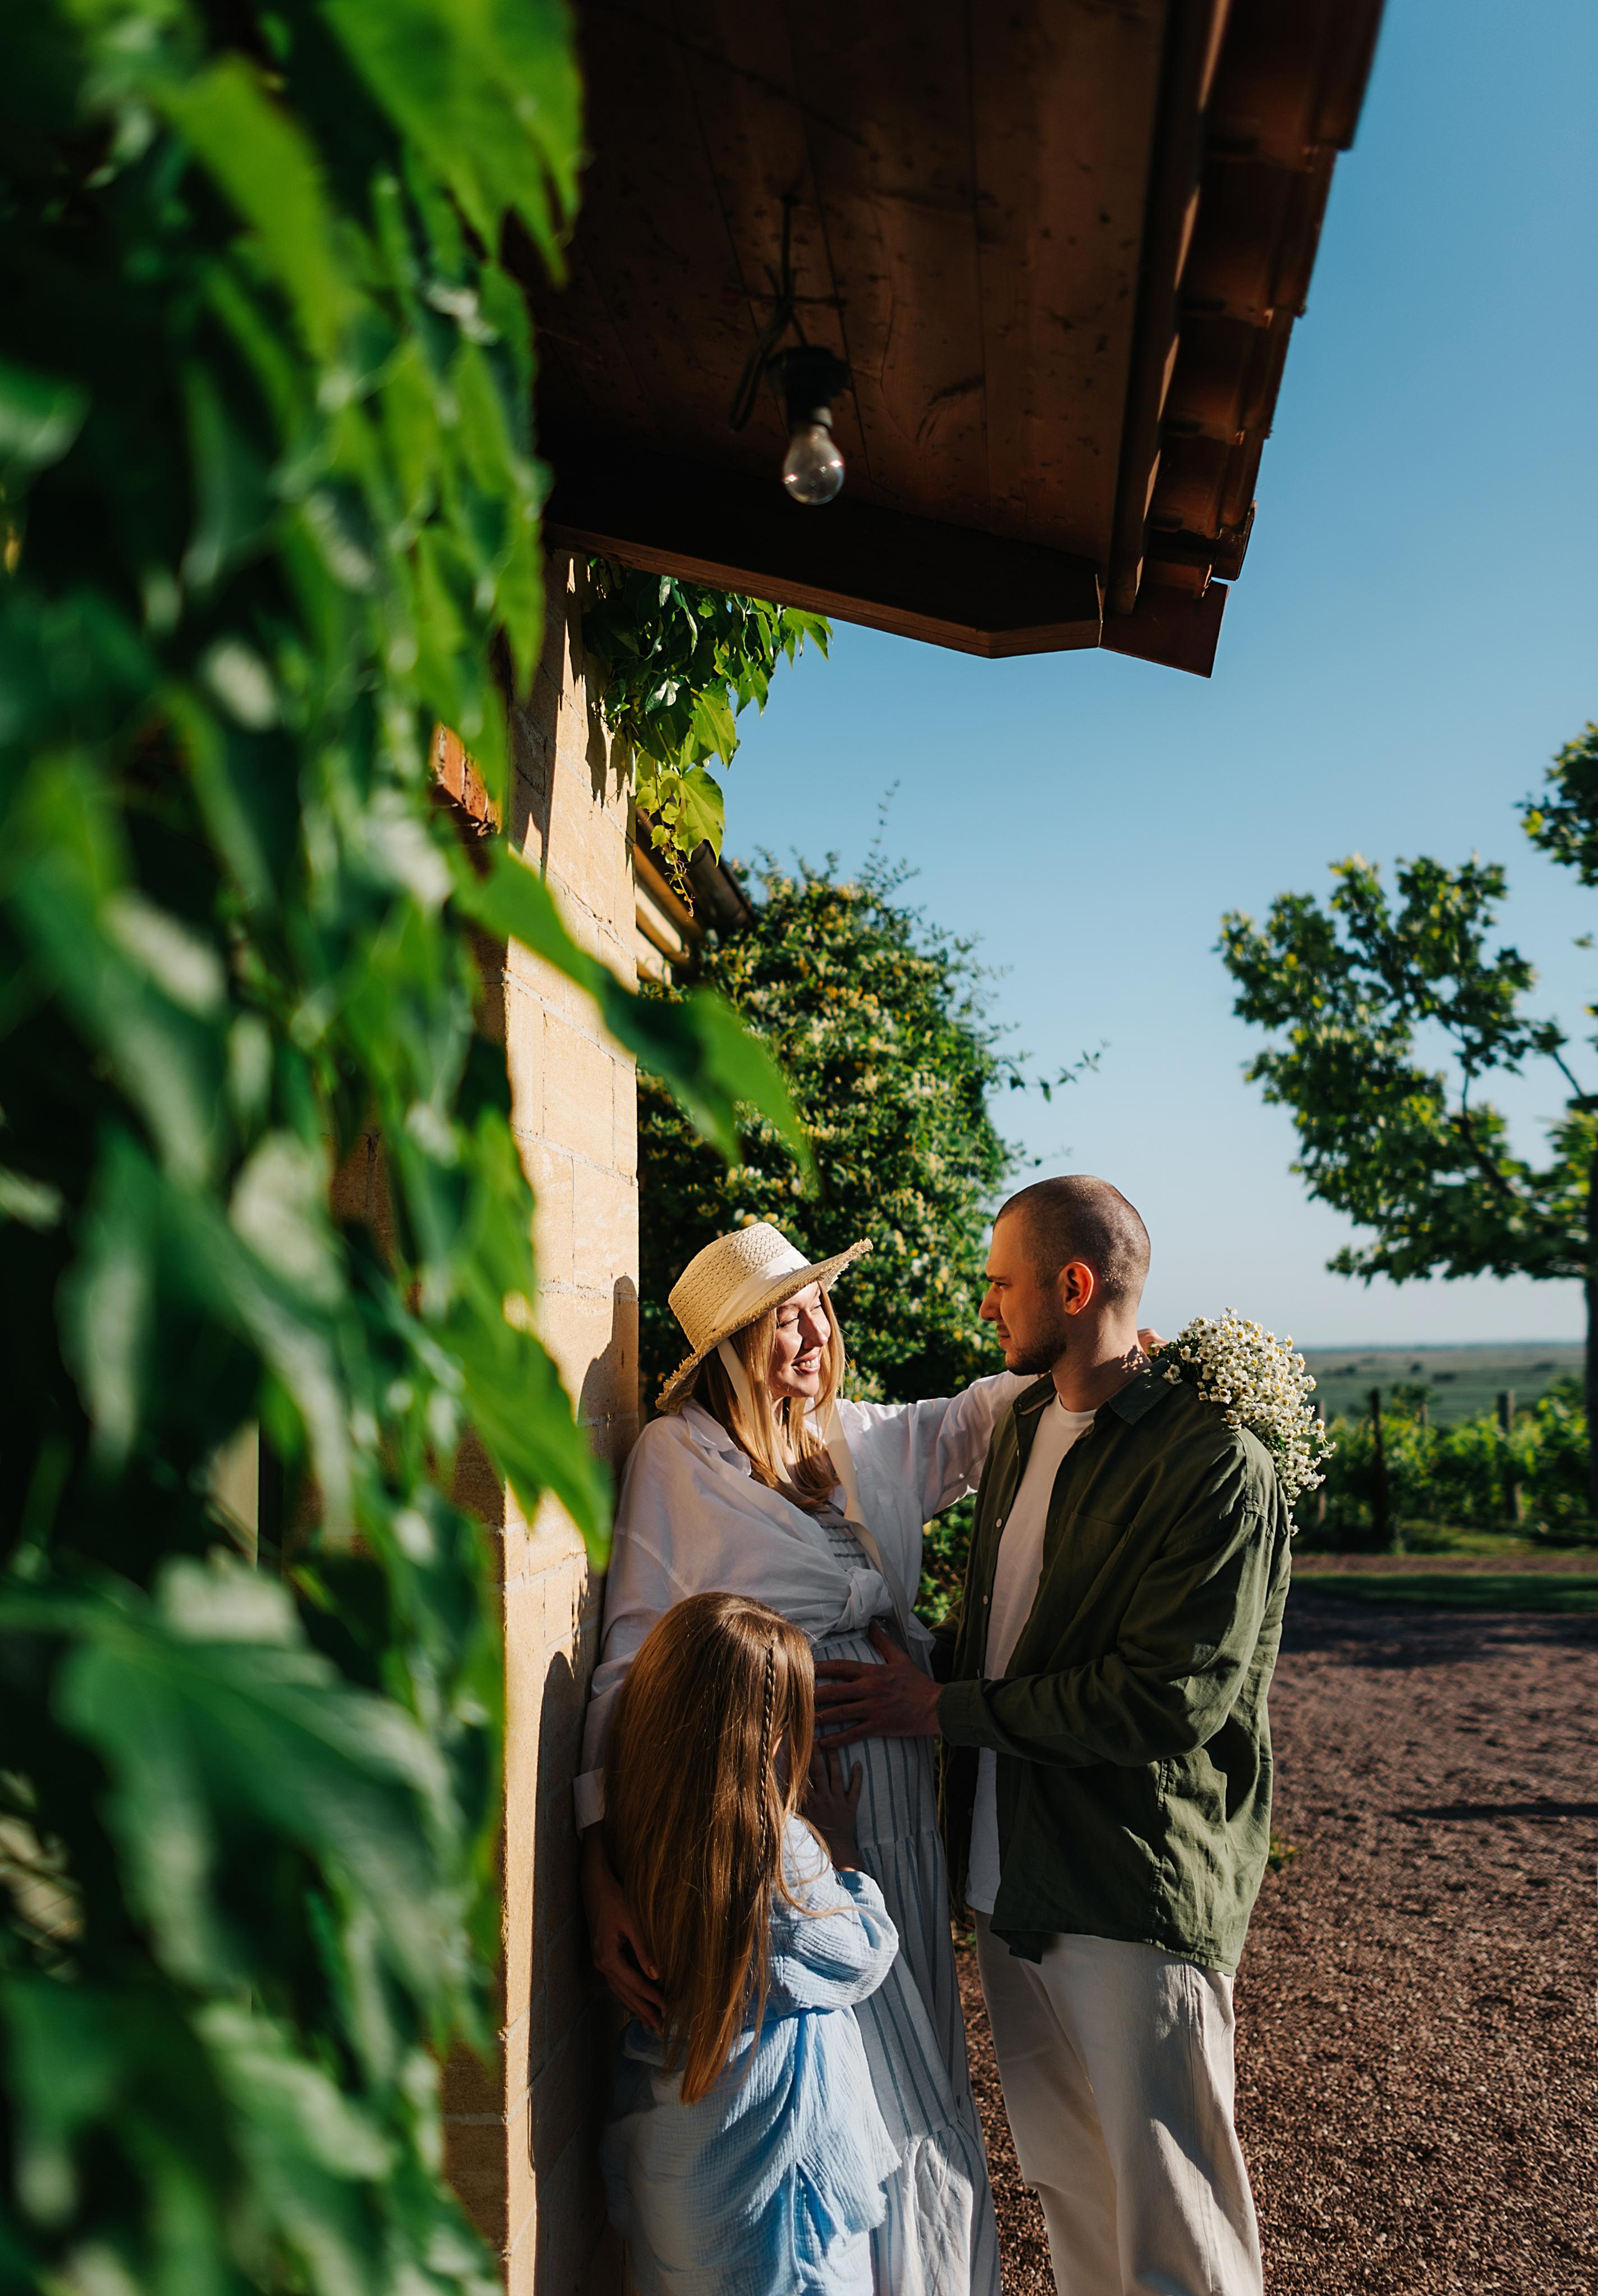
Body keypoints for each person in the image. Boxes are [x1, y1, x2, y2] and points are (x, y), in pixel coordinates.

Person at [814, 1175, 1292, 2296]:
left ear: (1074, 1286)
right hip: (1010, 1879)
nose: (986, 1305)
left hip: (1128, 1883)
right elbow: (1012, 1627)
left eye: (1001, 1283)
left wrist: (937, 1707)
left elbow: (1165, 1699)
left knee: (1174, 2216)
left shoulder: (1218, 1462)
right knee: (1073, 2190)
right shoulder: (1024, 1423)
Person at [579, 1218, 1029, 2296]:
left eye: (819, 1306)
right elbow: (626, 1664)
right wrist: (599, 1863)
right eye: (784, 1318)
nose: (814, 1332)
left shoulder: (858, 1440)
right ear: (733, 1348)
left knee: (915, 2048)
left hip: (889, 1792)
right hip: (776, 1811)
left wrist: (1132, 1351)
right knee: (835, 2052)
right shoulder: (679, 1457)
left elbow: (980, 1416)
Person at [600, 1593, 901, 2296]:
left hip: (685, 2169)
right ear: (767, 1735)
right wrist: (846, 1854)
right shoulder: (777, 1854)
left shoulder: (637, 1832)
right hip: (773, 2198)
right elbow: (865, 1954)